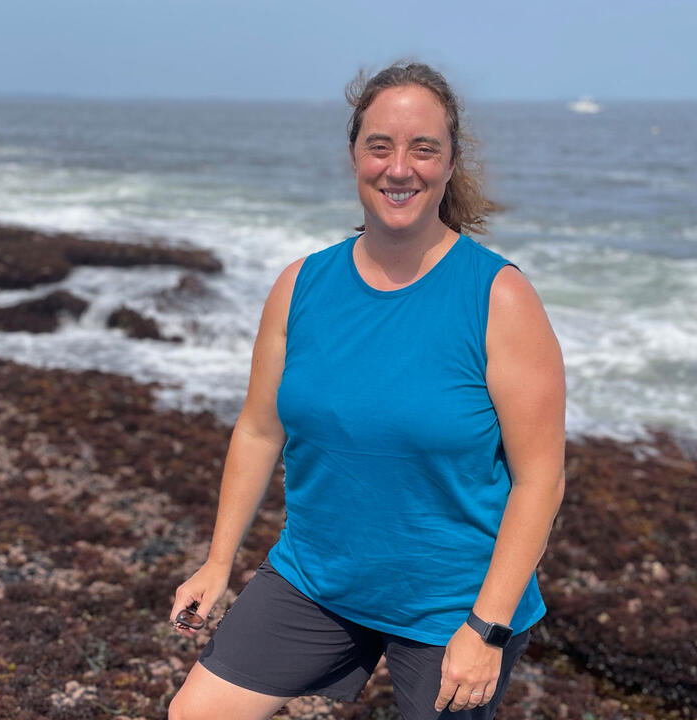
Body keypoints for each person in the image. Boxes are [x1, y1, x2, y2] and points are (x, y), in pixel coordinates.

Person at [167, 61, 566, 720]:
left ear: (449, 161)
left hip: (453, 605)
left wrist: (488, 629)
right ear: (355, 153)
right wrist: (217, 563)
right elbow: (261, 429)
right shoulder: (301, 286)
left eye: (422, 148)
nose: (399, 167)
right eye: (380, 145)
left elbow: (541, 479)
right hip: (317, 579)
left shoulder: (499, 297)